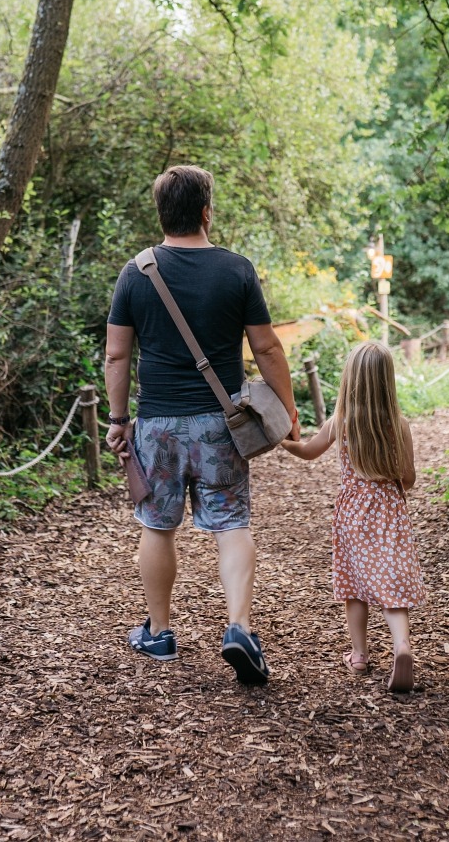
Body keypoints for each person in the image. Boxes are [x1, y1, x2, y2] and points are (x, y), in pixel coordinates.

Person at [103, 165, 300, 686]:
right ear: (207, 212)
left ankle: (161, 632)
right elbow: (266, 347)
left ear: (161, 213)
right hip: (221, 425)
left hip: (158, 425)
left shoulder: (135, 272)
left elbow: (117, 356)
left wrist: (118, 419)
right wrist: (288, 408)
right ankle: (238, 627)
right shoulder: (237, 270)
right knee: (231, 524)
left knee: (157, 526)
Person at [280, 341, 424, 692]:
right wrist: (389, 476)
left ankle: (359, 655)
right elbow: (409, 478)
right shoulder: (399, 425)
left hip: (352, 514)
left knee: (355, 586)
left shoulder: (340, 421)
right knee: (391, 584)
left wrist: (283, 440)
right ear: (387, 381)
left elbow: (307, 452)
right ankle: (401, 645)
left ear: (350, 380)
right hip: (389, 510)